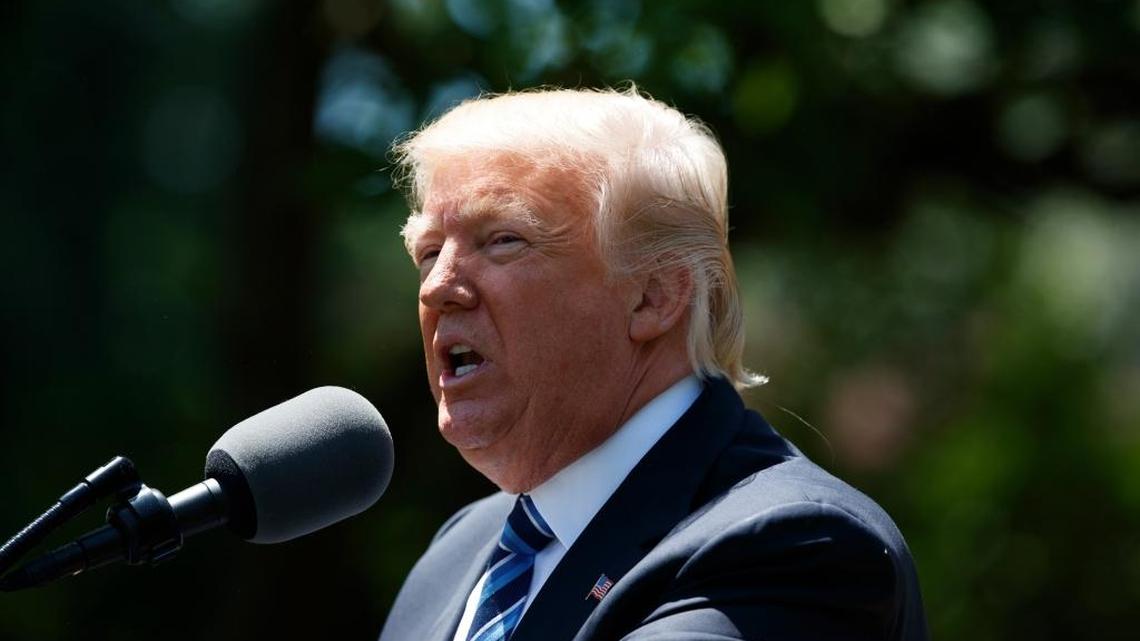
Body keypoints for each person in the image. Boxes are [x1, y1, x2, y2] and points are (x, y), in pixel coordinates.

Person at [379, 87, 928, 641]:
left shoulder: (794, 546)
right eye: (429, 252)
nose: (437, 287)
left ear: (654, 295)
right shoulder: (455, 555)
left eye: (503, 240)